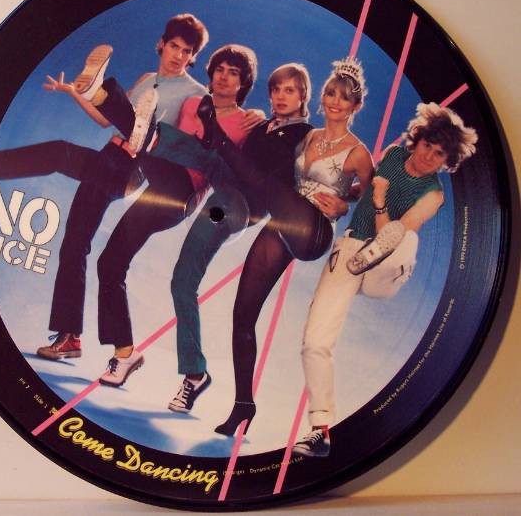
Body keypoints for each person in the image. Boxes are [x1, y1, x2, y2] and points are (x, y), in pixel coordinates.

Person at [0, 14, 210, 362]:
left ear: (193, 57)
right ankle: (69, 338)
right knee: (74, 242)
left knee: (66, 156)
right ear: (162, 44)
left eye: (187, 51)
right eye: (174, 46)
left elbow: (184, 144)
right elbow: (105, 119)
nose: (178, 55)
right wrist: (75, 93)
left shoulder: (195, 94)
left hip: (135, 166)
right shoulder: (146, 79)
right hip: (109, 157)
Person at [195, 58, 374, 435]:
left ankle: (216, 139)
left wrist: (345, 203)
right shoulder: (307, 137)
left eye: (344, 98)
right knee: (242, 315)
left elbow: (373, 192)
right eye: (330, 93)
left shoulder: (358, 152)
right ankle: (243, 405)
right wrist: (258, 120)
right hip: (284, 221)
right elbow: (272, 159)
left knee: (270, 186)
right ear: (322, 98)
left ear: (355, 106)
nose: (335, 101)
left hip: (314, 230)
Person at [292, 102, 478, 458]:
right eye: (427, 146)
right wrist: (340, 201)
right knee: (314, 341)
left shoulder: (433, 194)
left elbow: (389, 229)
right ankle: (320, 431)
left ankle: (377, 258)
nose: (428, 157)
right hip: (350, 251)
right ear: (417, 140)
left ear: (446, 161)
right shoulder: (392, 156)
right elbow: (361, 194)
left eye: (439, 154)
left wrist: (379, 200)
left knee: (404, 239)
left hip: (385, 270)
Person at [95, 44, 260, 387]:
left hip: (182, 193)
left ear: (243, 83)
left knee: (173, 143)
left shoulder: (248, 123)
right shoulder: (191, 104)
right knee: (109, 262)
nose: (224, 77)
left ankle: (104, 98)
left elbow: (239, 174)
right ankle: (124, 354)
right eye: (220, 69)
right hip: (158, 184)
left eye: (233, 73)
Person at [167, 62, 316, 413]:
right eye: (276, 90)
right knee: (181, 281)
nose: (280, 96)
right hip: (227, 183)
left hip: (240, 206)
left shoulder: (304, 136)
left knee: (217, 205)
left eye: (289, 91)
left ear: (303, 97)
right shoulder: (262, 125)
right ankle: (142, 130)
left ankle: (193, 376)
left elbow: (265, 180)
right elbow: (233, 160)